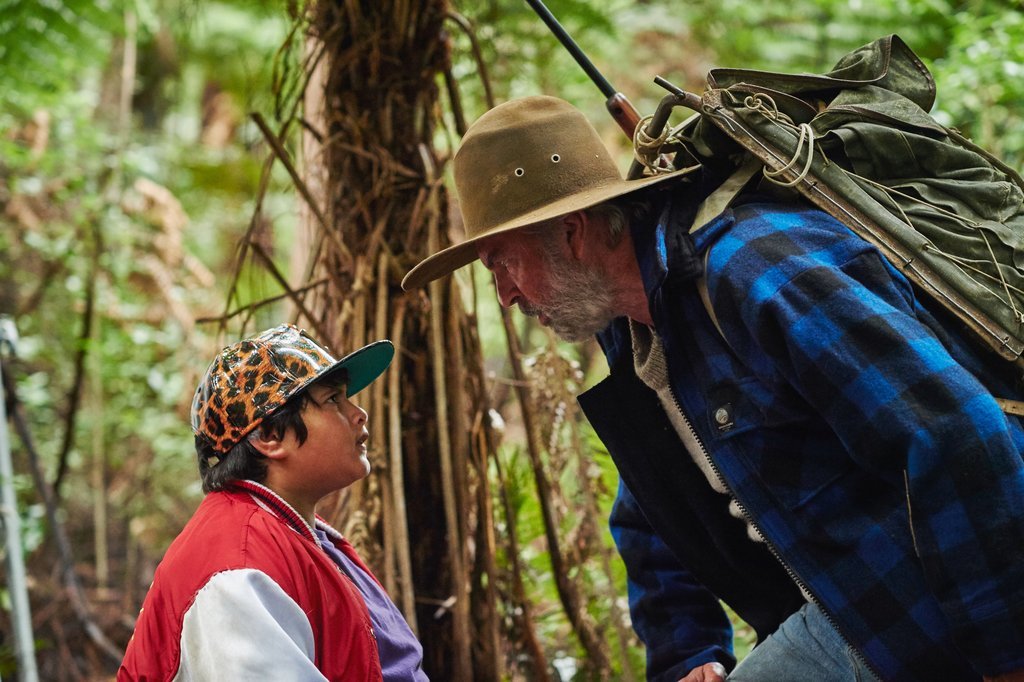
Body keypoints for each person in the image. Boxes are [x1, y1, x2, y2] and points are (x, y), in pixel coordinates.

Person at [401, 95, 1024, 681]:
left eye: (504, 262)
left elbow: (955, 432)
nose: (505, 295)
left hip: (939, 613)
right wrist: (689, 650)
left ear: (572, 232)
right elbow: (655, 505)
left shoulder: (756, 270)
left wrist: (1005, 656)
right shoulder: (633, 330)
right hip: (849, 612)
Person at [119, 324, 428, 681]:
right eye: (332, 399)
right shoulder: (237, 573)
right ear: (269, 436)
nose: (359, 413)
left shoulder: (300, 534)